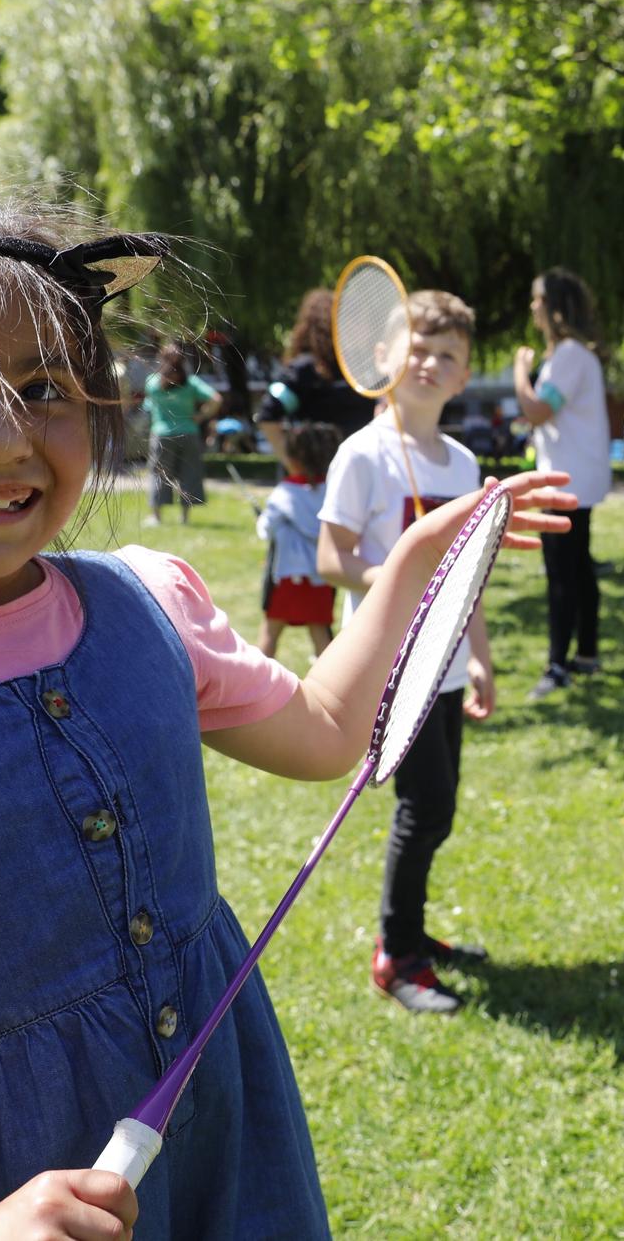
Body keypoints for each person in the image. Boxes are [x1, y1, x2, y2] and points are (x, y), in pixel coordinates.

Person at [0, 179, 571, 1238]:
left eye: (46, 387)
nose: (4, 436)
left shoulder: (147, 604)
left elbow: (322, 733)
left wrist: (410, 567)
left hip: (227, 1150)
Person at [318, 290, 501, 1013]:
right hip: (396, 667)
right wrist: (401, 570)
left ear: (462, 378)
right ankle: (398, 954)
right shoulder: (361, 455)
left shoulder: (462, 463)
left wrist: (481, 654)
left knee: (440, 809)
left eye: (447, 355)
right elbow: (332, 557)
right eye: (417, 347)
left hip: (449, 668)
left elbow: (471, 575)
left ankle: (416, 931)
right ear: (385, 357)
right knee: (423, 808)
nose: (429, 361)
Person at [515, 268, 615, 701]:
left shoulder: (570, 355)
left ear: (555, 307)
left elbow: (538, 409)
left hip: (566, 481)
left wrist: (520, 371)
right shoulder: (571, 355)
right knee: (578, 567)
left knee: (561, 572)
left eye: (538, 299)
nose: (533, 306)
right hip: (576, 477)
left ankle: (557, 665)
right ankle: (587, 653)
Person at [256, 287, 375, 465]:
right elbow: (267, 415)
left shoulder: (364, 369)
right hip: (320, 482)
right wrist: (293, 465)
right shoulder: (306, 369)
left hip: (364, 473)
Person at [258, 420, 343, 660]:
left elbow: (266, 529)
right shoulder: (333, 491)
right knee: (321, 634)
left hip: (286, 576)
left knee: (270, 632)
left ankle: (258, 691)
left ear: (293, 459)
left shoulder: (284, 491)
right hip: (321, 576)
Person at [143, 341, 220, 525]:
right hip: (189, 433)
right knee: (189, 474)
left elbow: (148, 406)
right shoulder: (191, 383)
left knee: (159, 474)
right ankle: (185, 518)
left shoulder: (152, 383)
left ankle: (156, 517)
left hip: (162, 434)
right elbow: (217, 399)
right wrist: (201, 417)